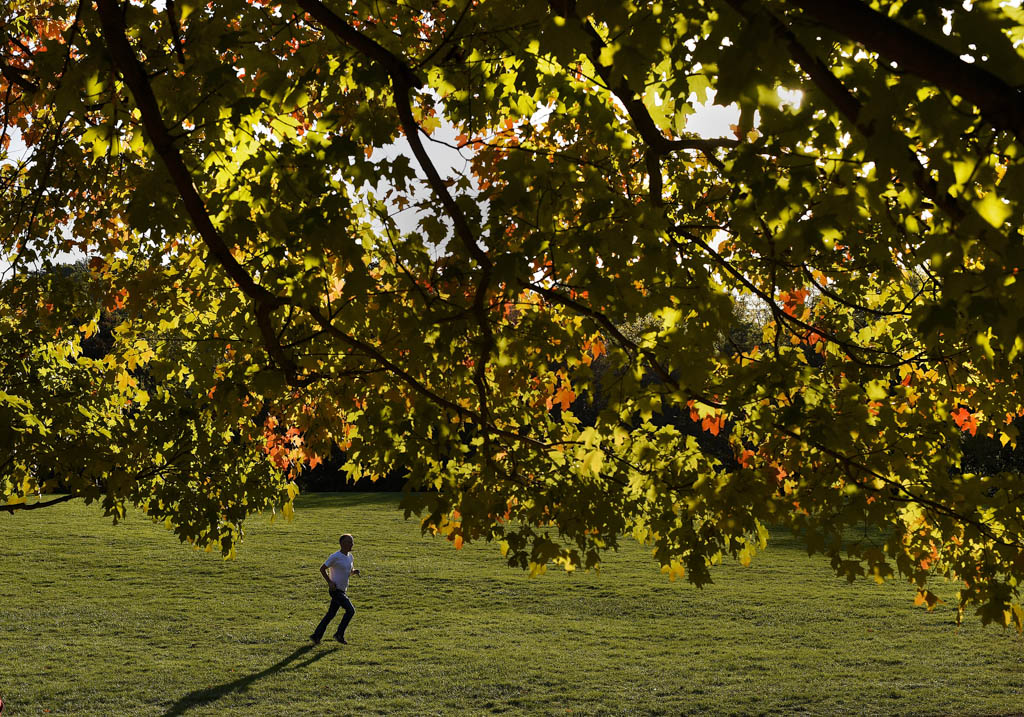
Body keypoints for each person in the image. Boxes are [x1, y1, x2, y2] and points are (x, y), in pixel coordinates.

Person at [310, 533, 361, 645]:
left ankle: (316, 636)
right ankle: (339, 635)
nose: (352, 544)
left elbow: (348, 571)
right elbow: (322, 569)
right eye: (349, 542)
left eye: (352, 541)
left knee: (331, 614)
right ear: (342, 543)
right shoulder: (335, 556)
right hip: (335, 590)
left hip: (342, 590)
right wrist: (329, 582)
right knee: (350, 610)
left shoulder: (350, 557)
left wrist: (354, 572)